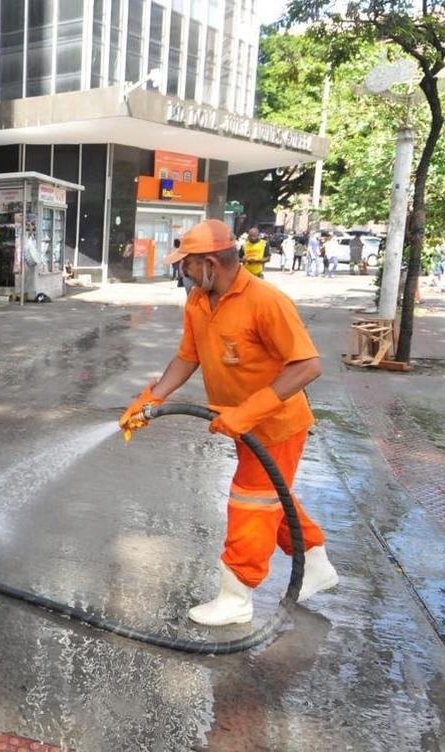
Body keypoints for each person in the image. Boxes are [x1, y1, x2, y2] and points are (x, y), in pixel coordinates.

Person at [120, 219, 338, 626]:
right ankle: (314, 561)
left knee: (251, 502)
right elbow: (188, 356)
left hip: (276, 425)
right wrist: (152, 398)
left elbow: (308, 366)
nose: (182, 270)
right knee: (272, 496)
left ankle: (237, 595)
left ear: (210, 264)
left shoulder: (265, 301)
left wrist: (249, 412)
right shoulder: (198, 300)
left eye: (186, 263)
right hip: (240, 423)